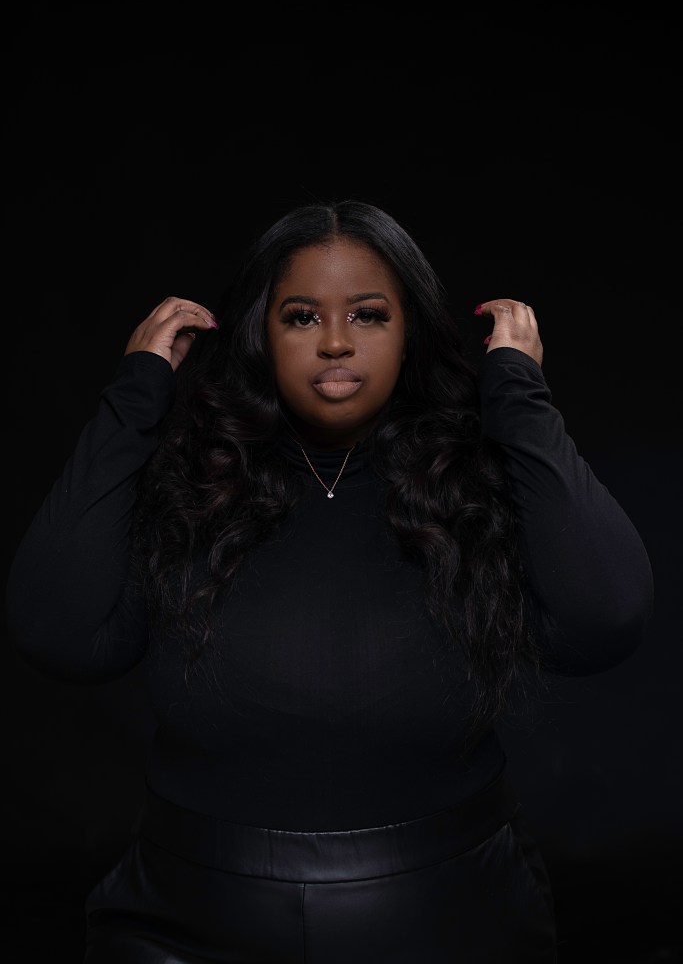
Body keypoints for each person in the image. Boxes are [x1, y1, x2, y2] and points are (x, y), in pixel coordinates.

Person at [5, 199, 654, 963]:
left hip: (456, 919)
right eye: (303, 317)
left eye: (369, 315)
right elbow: (56, 632)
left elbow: (604, 619)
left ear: (407, 334)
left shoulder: (471, 481)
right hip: (187, 924)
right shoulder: (189, 480)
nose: (337, 341)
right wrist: (134, 397)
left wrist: (519, 398)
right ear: (261, 333)